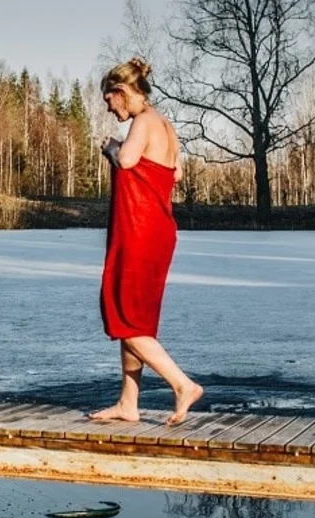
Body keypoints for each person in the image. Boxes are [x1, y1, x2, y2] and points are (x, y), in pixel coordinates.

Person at [91, 57, 202, 426]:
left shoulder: (144, 122)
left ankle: (182, 384)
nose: (109, 108)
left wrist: (110, 147)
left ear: (121, 92)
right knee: (136, 318)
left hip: (138, 231)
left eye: (110, 100)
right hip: (158, 231)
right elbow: (175, 172)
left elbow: (125, 160)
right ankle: (128, 402)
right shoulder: (167, 126)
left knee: (122, 317)